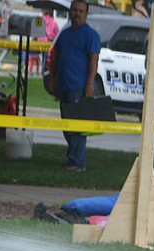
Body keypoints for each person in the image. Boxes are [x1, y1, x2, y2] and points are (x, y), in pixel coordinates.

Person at [48, 0, 100, 173]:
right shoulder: (65, 34)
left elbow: (93, 60)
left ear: (86, 14)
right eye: (74, 10)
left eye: (80, 11)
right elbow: (56, 57)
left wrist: (89, 84)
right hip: (64, 85)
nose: (77, 14)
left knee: (77, 128)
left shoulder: (91, 35)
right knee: (67, 126)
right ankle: (72, 159)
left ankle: (78, 162)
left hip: (79, 87)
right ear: (70, 12)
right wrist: (53, 77)